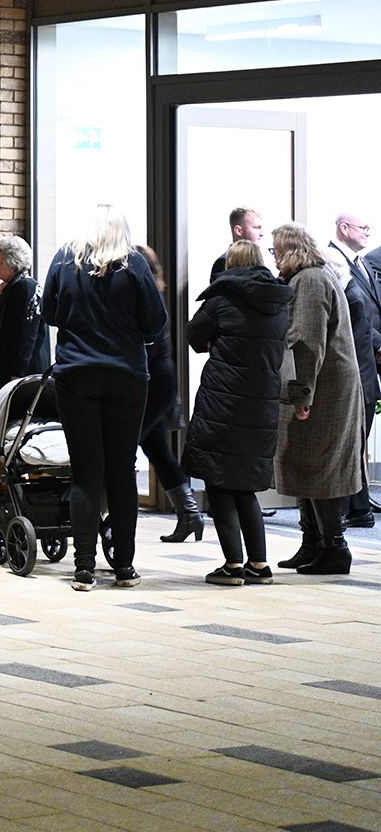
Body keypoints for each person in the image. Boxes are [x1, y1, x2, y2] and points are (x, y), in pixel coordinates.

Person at [42, 205, 167, 590]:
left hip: (76, 374)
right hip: (126, 376)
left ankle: (83, 568)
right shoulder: (133, 265)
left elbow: (48, 311)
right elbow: (156, 321)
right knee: (121, 471)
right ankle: (124, 566)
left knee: (85, 472)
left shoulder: (65, 258)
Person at [184, 239, 291, 584]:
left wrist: (215, 342)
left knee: (218, 481)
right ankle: (259, 565)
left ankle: (232, 566)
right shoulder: (278, 303)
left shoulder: (222, 299)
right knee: (245, 485)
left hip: (224, 403)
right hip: (262, 407)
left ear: (231, 265)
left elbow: (194, 335)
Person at [272, 222, 367, 577]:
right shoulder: (313, 277)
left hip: (324, 391)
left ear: (289, 250)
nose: (275, 258)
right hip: (324, 387)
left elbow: (306, 342)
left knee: (319, 465)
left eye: (276, 251)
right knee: (305, 463)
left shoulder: (309, 281)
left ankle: (334, 547)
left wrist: (300, 394)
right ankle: (312, 542)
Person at [135, 244, 204, 543]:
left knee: (123, 446)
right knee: (158, 452)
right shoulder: (154, 291)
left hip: (153, 385)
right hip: (160, 383)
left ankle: (113, 518)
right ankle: (190, 515)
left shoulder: (144, 295)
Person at [325, 212, 380, 529]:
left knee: (360, 436)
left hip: (367, 361)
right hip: (355, 362)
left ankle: (358, 506)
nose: (368, 232)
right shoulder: (335, 263)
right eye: (364, 227)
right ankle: (346, 507)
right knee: (349, 438)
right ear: (344, 228)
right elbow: (348, 315)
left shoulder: (361, 264)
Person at [0, 235, 47, 415]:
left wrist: (18, 373)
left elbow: (27, 334)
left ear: (12, 264)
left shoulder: (25, 287)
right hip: (6, 370)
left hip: (18, 374)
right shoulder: (10, 287)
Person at [210, 206, 265, 281]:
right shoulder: (223, 263)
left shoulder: (256, 260)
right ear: (238, 230)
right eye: (256, 227)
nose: (262, 233)